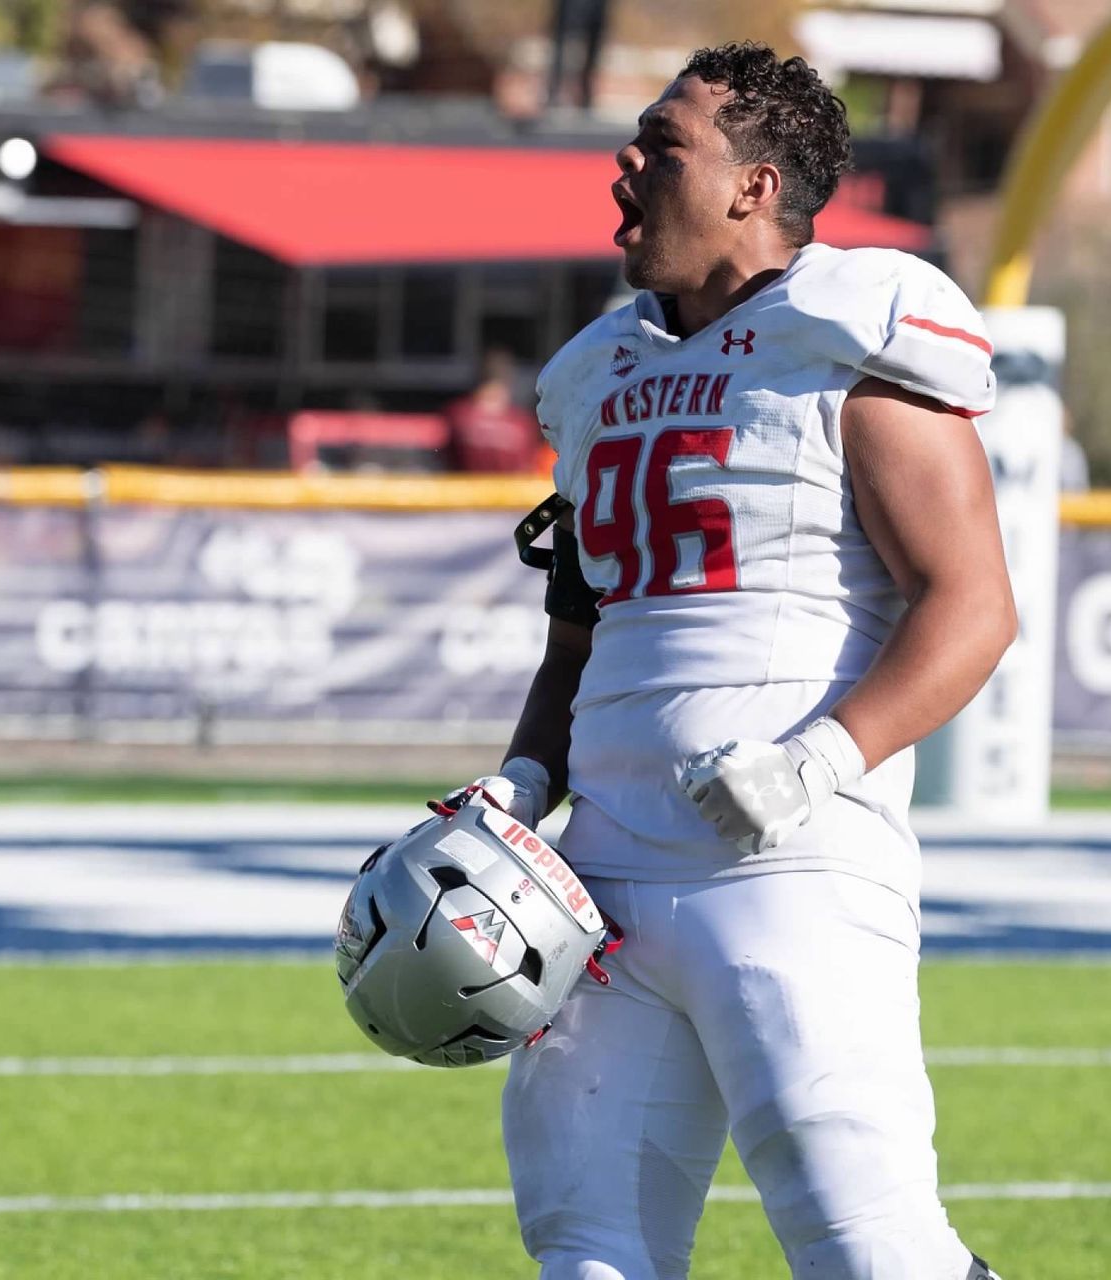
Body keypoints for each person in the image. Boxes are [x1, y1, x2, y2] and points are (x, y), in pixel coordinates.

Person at [448, 43, 1014, 1280]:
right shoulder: (599, 372)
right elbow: (581, 636)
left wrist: (816, 763)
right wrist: (516, 786)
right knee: (588, 1254)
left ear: (756, 185)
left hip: (789, 861)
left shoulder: (849, 331)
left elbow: (972, 607)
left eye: (666, 142)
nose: (629, 161)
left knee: (875, 1253)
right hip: (597, 874)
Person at [445, 349, 545, 473]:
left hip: (464, 490)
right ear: (510, 381)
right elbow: (530, 469)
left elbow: (444, 463)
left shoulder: (456, 415)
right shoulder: (523, 424)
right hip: (512, 491)